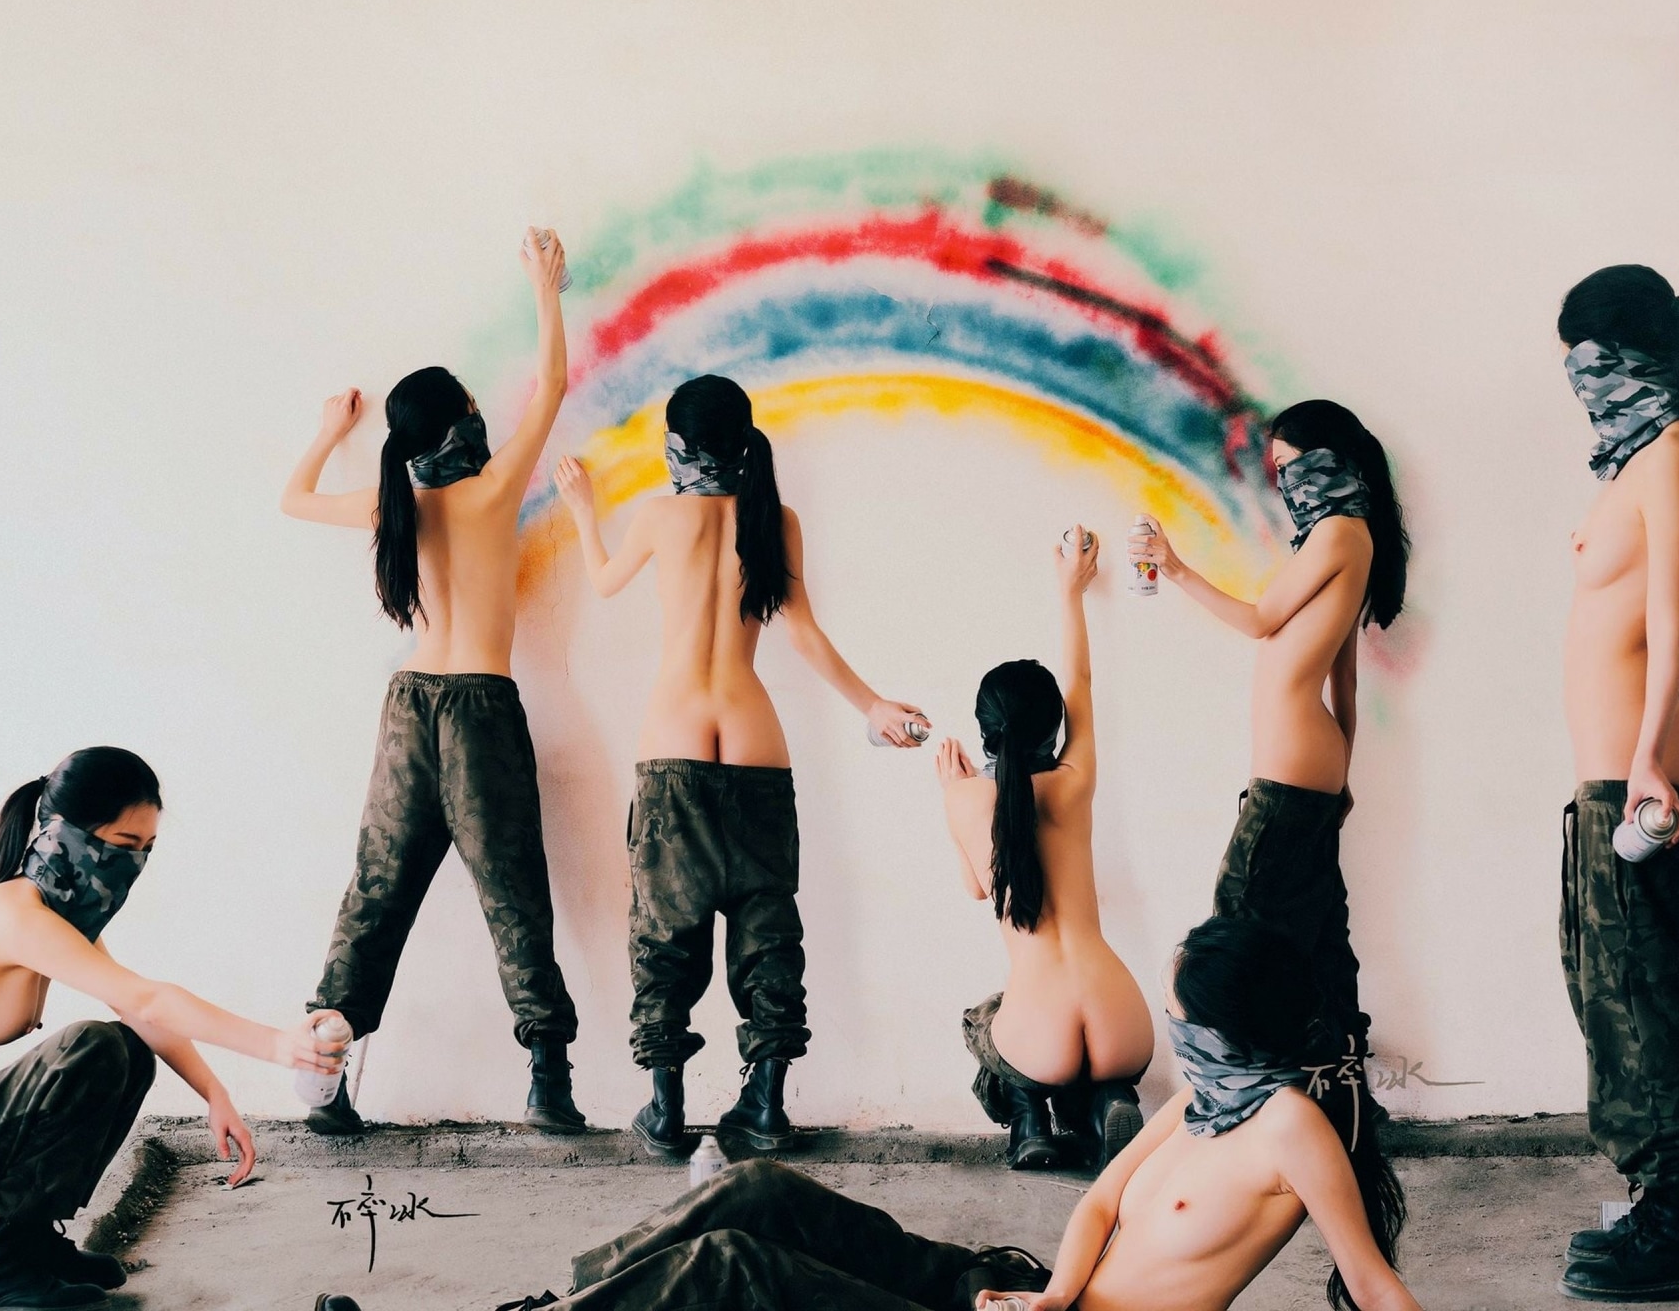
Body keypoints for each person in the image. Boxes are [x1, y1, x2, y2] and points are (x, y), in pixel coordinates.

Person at [432, 916, 1417, 1311]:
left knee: (733, 1268)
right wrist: (1049, 1299)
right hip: (1027, 1301)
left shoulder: (1290, 1127)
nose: (1172, 1034)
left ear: (1234, 1027)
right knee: (759, 1190)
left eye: (1182, 1019)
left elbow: (1375, 1289)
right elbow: (1098, 1204)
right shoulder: (1209, 1097)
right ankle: (562, 1302)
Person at [554, 373, 926, 1154]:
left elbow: (603, 580)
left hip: (674, 751)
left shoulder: (659, 517)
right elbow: (804, 632)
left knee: (663, 934)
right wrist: (872, 706)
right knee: (768, 935)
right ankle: (765, 1104)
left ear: (678, 446)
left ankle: (665, 1108)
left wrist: (584, 512)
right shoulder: (774, 518)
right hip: (758, 747)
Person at [0, 748, 349, 1311]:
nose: (132, 864)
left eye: (146, 849)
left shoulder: (55, 915)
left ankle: (26, 1246)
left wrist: (215, 1093)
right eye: (123, 845)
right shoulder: (12, 916)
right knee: (91, 1048)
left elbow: (138, 1010)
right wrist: (279, 1046)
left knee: (128, 1051)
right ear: (63, 833)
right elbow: (151, 999)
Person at [281, 230, 586, 1136]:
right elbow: (553, 384)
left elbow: (293, 500)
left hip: (410, 707)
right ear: (462, 421)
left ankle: (322, 1079)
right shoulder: (490, 493)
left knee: (376, 890)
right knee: (514, 890)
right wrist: (545, 285)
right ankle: (549, 1082)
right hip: (482, 707)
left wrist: (328, 431)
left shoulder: (393, 507)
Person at [1552, 265, 1679, 1303]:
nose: (1576, 381)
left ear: (1628, 352)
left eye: (1585, 359)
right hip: (1607, 761)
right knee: (1606, 984)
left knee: (1645, 992)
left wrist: (1641, 760)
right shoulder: (1631, 457)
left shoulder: (1669, 449)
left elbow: (1668, 621)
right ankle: (1658, 1196)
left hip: (1634, 761)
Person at [1128, 401, 1409, 1078]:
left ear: (1327, 457)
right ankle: (1338, 1081)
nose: (1284, 482)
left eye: (1288, 465)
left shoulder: (1337, 535)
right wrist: (1343, 772)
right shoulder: (1347, 537)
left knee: (1236, 932)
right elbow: (1344, 672)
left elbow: (1260, 621)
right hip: (1311, 758)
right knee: (1318, 934)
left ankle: (1251, 1088)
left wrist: (1176, 568)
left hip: (1294, 762)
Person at [934, 524, 1153, 1172]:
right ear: (1054, 726)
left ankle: (1031, 1121)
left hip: (1040, 1038)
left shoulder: (966, 798)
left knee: (983, 1020)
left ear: (985, 733)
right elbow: (1080, 679)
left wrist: (952, 797)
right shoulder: (1076, 782)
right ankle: (1108, 1099)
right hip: (1125, 1021)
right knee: (1096, 1062)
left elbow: (976, 888)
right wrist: (1070, 592)